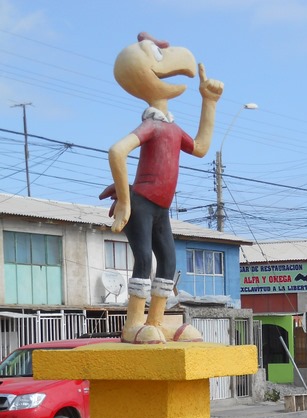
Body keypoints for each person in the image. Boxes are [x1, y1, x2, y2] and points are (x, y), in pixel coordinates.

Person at [99, 32, 223, 344]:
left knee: (168, 261)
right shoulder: (152, 125)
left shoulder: (169, 127)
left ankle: (156, 322)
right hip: (142, 202)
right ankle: (132, 326)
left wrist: (208, 102)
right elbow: (117, 151)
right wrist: (125, 201)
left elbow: (201, 147)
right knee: (144, 261)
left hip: (161, 207)